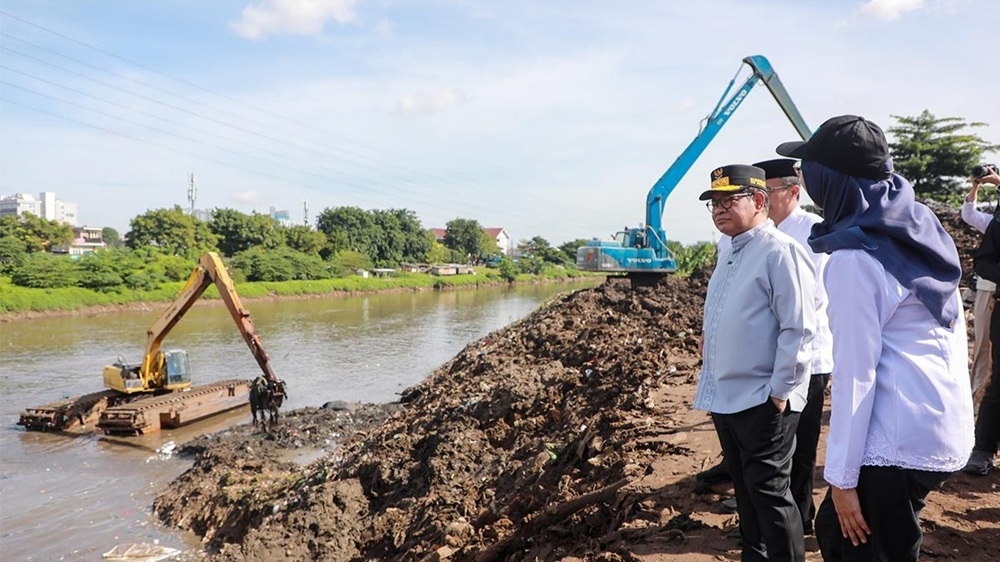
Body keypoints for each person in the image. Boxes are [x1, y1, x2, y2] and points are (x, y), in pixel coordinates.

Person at [775, 115, 974, 562]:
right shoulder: (915, 223)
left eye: (810, 169)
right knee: (884, 538)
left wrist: (842, 481)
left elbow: (855, 376)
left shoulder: (856, 258)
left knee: (851, 540)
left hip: (896, 433)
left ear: (832, 180)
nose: (804, 179)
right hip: (940, 420)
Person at [701, 160, 835, 537]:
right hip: (728, 393)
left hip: (767, 391)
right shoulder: (730, 248)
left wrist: (779, 392)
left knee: (777, 488)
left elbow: (799, 326)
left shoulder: (784, 247)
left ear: (760, 199)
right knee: (749, 491)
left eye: (729, 200)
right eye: (714, 203)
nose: (719, 209)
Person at [965, 165, 1000, 476]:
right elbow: (985, 260)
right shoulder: (996, 222)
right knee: (997, 377)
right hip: (996, 302)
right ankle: (983, 448)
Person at [961, 179, 997, 402]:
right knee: (982, 344)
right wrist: (975, 186)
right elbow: (969, 214)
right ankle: (976, 397)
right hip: (988, 288)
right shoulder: (994, 223)